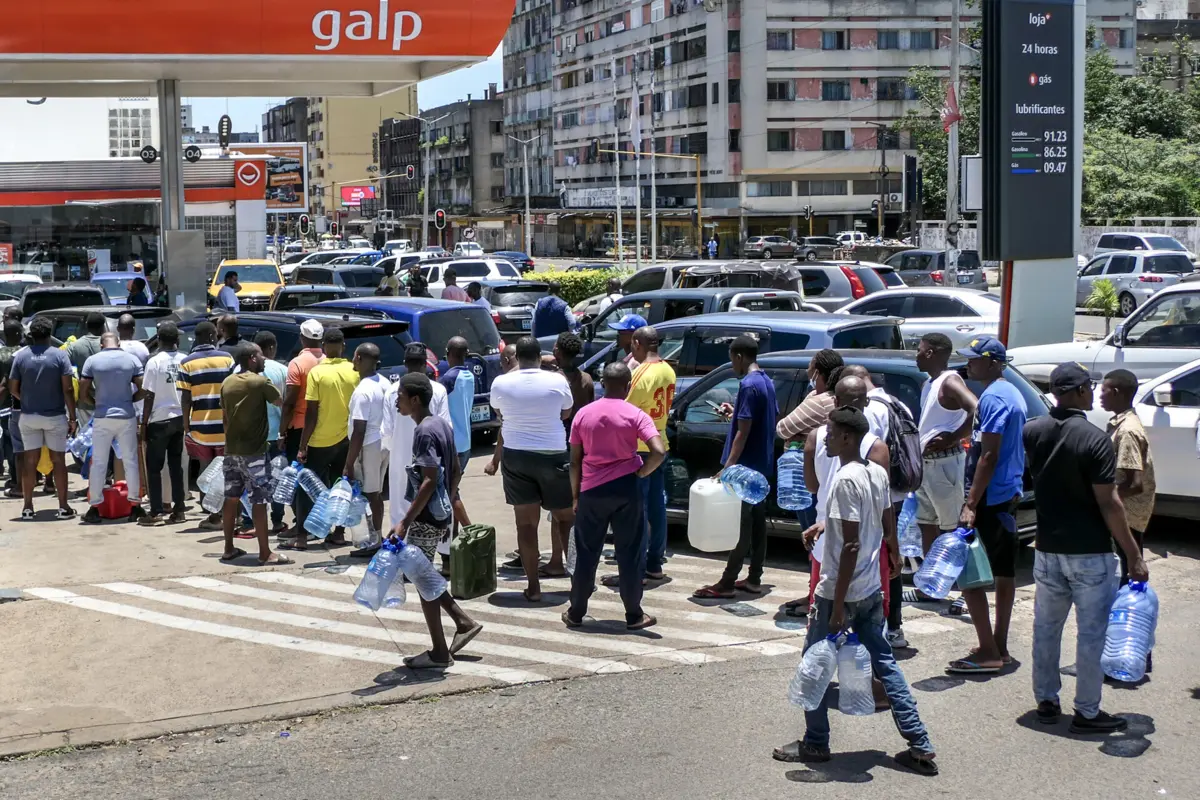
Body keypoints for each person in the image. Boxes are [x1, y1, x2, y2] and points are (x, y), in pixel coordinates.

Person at [773, 406, 936, 776]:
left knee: (813, 664)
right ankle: (920, 744)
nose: (824, 439)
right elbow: (880, 518)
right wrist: (824, 527)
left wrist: (836, 606)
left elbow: (850, 546)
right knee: (886, 663)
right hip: (871, 589)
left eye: (830, 433)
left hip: (840, 591)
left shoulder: (846, 478)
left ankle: (815, 743)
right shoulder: (876, 472)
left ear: (847, 437)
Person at [1023, 362, 1148, 732]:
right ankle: (1087, 712)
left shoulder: (1033, 431)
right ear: (1078, 392)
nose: (1094, 392)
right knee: (1092, 634)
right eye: (1089, 387)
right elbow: (1110, 503)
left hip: (1046, 548)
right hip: (1089, 552)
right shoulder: (1094, 439)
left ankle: (1046, 700)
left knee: (1046, 628)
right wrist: (1134, 555)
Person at [391, 372, 483, 669]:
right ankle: (461, 621)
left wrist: (406, 521)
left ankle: (440, 652)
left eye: (400, 397)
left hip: (425, 518)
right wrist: (449, 502)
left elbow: (429, 480)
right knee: (426, 575)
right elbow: (455, 468)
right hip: (437, 515)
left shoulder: (424, 432)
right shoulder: (441, 424)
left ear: (414, 399)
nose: (396, 401)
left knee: (422, 580)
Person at [565, 362, 665, 631]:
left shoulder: (583, 415)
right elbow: (658, 451)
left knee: (587, 553)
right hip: (627, 489)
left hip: (591, 491)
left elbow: (575, 461)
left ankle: (576, 612)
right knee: (630, 553)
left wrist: (576, 496)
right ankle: (634, 615)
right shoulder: (636, 414)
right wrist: (642, 474)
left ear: (602, 383)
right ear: (628, 385)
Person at [949, 337, 1027, 674]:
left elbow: (989, 455)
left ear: (994, 362)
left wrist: (970, 503)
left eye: (974, 360)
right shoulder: (1010, 392)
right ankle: (999, 644)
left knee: (971, 575)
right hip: (1007, 494)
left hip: (989, 498)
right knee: (1004, 571)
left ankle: (988, 651)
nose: (968, 365)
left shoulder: (994, 397)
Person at [489, 336, 575, 601]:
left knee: (525, 525)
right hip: (553, 454)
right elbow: (566, 413)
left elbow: (499, 412)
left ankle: (534, 587)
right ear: (540, 356)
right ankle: (578, 577)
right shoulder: (557, 380)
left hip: (516, 457)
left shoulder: (501, 382)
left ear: (516, 357)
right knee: (566, 519)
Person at [695, 335, 777, 598]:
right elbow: (761, 419)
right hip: (760, 467)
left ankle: (728, 582)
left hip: (744, 468)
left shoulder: (748, 385)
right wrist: (734, 413)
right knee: (757, 524)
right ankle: (754, 578)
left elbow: (742, 433)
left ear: (740, 357)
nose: (732, 365)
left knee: (740, 527)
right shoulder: (766, 381)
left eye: (732, 359)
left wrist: (727, 468)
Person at [607, 325, 673, 586]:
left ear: (637, 343)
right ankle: (654, 563)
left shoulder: (641, 373)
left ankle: (636, 568)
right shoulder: (668, 369)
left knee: (636, 512)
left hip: (639, 449)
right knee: (657, 508)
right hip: (661, 442)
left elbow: (623, 411)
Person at [373, 343, 453, 558]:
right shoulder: (437, 389)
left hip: (403, 462)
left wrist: (394, 453)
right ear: (424, 363)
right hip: (434, 461)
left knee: (402, 506)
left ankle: (405, 555)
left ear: (405, 363)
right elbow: (447, 427)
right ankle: (445, 558)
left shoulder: (393, 391)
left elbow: (386, 433)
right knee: (439, 506)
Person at [218, 343, 292, 567]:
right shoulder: (260, 382)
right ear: (252, 358)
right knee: (260, 500)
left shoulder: (227, 382)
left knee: (231, 499)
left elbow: (225, 418)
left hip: (232, 450)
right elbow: (280, 401)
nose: (264, 360)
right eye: (261, 357)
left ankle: (229, 548)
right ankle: (265, 552)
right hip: (255, 452)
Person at [296, 327, 360, 548]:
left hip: (320, 441)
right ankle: (339, 533)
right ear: (343, 347)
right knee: (341, 487)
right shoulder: (355, 370)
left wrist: (303, 445)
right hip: (346, 441)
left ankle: (302, 537)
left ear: (324, 347)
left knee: (307, 487)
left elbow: (311, 412)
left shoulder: (317, 372)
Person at [914, 333, 977, 552]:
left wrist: (952, 437)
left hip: (945, 464)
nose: (917, 355)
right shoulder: (928, 384)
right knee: (926, 523)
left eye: (919, 350)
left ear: (930, 353)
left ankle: (961, 579)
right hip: (927, 466)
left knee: (951, 528)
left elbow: (976, 409)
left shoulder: (949, 381)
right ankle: (930, 579)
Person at [10, 316, 76, 520]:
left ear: (31, 335)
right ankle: (63, 507)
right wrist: (72, 417)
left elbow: (13, 388)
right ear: (50, 335)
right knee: (58, 461)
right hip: (55, 415)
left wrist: (28, 399)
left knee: (30, 461)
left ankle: (28, 507)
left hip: (28, 416)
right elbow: (66, 388)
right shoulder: (59, 356)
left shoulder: (21, 356)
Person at [78, 333, 146, 522]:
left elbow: (82, 392)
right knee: (130, 461)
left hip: (102, 416)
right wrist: (130, 400)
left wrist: (95, 402)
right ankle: (135, 506)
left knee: (98, 463)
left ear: (101, 344)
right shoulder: (131, 360)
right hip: (126, 416)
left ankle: (95, 508)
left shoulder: (92, 361)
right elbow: (143, 387)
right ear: (118, 343)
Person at [1101, 368, 1156, 587]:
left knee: (1127, 572)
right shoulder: (1122, 423)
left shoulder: (1127, 431)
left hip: (1128, 513)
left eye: (1103, 391)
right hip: (1125, 510)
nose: (1099, 396)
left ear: (1115, 392)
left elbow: (1135, 483)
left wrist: (1104, 500)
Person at [178, 320, 235, 530]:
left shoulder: (187, 363)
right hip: (225, 426)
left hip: (200, 427)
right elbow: (232, 390)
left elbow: (185, 399)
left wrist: (187, 426)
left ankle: (213, 516)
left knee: (205, 471)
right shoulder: (227, 359)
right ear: (213, 336)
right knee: (228, 471)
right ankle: (230, 515)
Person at [280, 320, 325, 540]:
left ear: (302, 338)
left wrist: (282, 431)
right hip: (324, 429)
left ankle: (302, 526)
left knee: (299, 478)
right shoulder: (328, 362)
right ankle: (318, 523)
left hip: (299, 429)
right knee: (318, 479)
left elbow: (289, 402)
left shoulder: (297, 364)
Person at [139, 321, 187, 526]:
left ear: (158, 340)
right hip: (179, 419)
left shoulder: (154, 362)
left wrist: (144, 423)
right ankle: (179, 509)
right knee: (176, 466)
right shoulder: (185, 360)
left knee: (154, 467)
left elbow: (148, 395)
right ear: (177, 340)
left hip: (159, 420)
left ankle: (157, 511)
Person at [344, 343, 390, 544]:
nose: (353, 361)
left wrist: (349, 463)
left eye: (354, 357)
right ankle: (375, 537)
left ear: (360, 359)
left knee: (371, 495)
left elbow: (359, 430)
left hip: (369, 445)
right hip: (383, 443)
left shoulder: (363, 391)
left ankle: (375, 540)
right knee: (376, 493)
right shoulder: (385, 383)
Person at [256, 331, 290, 534]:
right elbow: (285, 406)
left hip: (253, 436)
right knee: (277, 479)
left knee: (253, 480)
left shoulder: (239, 370)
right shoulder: (282, 370)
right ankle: (277, 521)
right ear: (271, 348)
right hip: (276, 435)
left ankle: (249, 521)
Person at [482, 342, 519, 481]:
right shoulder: (546, 375)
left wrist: (495, 461)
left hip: (516, 454)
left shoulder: (503, 383)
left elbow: (505, 424)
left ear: (507, 360)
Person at [67, 311, 107, 428]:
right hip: (108, 403)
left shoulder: (75, 346)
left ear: (86, 324)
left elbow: (64, 370)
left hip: (84, 403)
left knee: (88, 441)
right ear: (103, 326)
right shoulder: (110, 345)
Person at [0, 319, 24, 495]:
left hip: (6, 405)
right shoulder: (24, 353)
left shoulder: (1, 354)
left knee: (12, 445)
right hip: (24, 403)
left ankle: (16, 478)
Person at [553, 332, 593, 431]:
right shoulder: (586, 378)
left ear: (557, 351)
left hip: (557, 430)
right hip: (580, 430)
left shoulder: (552, 378)